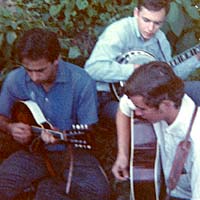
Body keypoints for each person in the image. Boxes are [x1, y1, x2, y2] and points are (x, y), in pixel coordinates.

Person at [0, 28, 110, 200]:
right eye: (29, 70)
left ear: (56, 59)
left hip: (72, 153)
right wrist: (10, 127)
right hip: (33, 152)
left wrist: (63, 136)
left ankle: (49, 187)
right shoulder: (15, 80)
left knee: (97, 191)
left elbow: (88, 130)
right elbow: (2, 117)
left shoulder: (81, 82)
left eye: (41, 70)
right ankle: (47, 184)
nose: (34, 77)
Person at [84, 0, 200, 124]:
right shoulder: (118, 32)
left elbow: (168, 77)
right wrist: (135, 71)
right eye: (146, 20)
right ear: (136, 13)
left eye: (157, 23)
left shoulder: (161, 41)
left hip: (148, 100)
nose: (150, 28)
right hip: (110, 98)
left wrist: (195, 60)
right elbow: (92, 69)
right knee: (146, 116)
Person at [112, 61, 200, 200]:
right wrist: (123, 154)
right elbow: (124, 106)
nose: (137, 113)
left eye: (142, 109)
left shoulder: (197, 141)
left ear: (165, 105)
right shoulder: (159, 102)